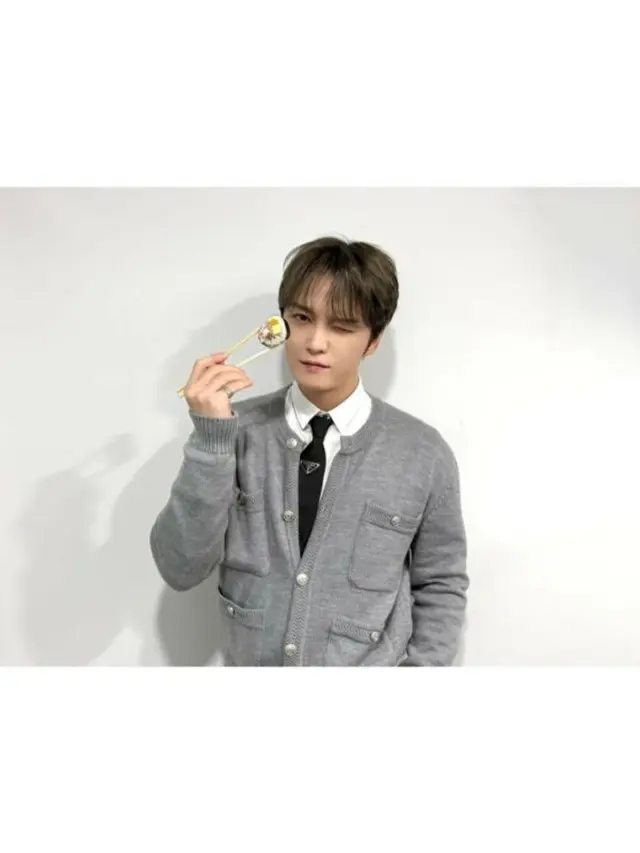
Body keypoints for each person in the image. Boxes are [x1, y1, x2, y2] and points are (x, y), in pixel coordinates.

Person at [150, 236, 469, 666]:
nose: (316, 342)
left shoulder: (423, 453)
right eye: (302, 318)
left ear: (373, 340)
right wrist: (211, 440)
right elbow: (180, 568)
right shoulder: (234, 432)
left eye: (342, 326)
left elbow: (441, 583)